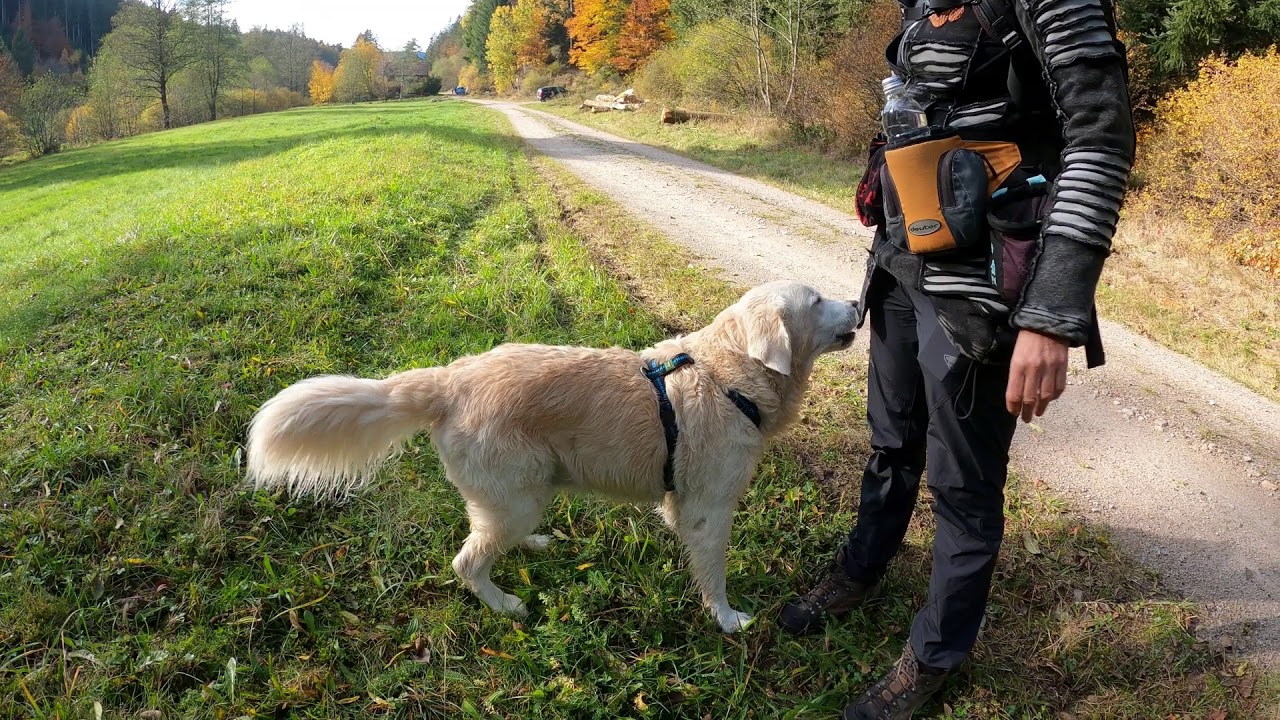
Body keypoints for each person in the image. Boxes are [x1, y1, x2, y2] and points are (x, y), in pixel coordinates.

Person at [777, 0, 1136, 717]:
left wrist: (1051, 317)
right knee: (892, 440)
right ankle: (860, 570)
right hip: (904, 261)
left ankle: (935, 656)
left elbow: (1100, 139)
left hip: (986, 287)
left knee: (963, 487)